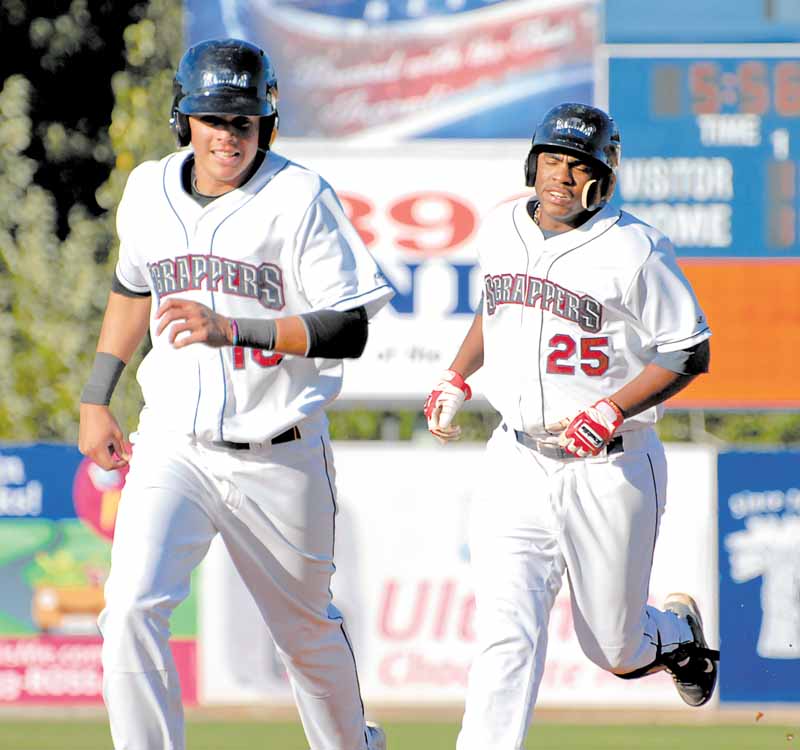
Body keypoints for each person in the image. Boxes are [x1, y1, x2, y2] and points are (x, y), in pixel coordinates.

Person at [78, 38, 392, 750]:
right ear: (183, 120)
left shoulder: (299, 195)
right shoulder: (150, 188)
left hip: (277, 451)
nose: (228, 134)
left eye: (244, 120)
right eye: (213, 118)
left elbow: (348, 327)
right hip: (173, 444)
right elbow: (131, 286)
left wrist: (235, 328)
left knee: (306, 634)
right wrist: (97, 395)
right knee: (128, 607)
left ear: (267, 123)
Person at [423, 102, 720, 749]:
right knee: (506, 634)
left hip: (611, 464)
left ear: (603, 178)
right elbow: (496, 306)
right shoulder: (503, 226)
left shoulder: (633, 248)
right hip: (517, 460)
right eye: (553, 159)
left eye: (578, 164)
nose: (562, 175)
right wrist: (456, 373)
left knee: (612, 648)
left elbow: (689, 349)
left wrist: (612, 408)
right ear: (533, 165)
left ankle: (674, 636)